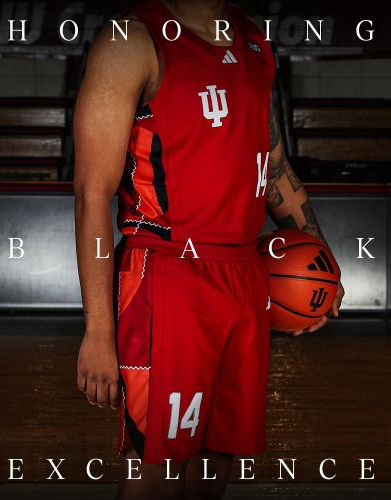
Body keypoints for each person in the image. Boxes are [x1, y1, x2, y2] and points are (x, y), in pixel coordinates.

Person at [73, 1, 345, 499]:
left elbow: (275, 168)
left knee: (215, 464)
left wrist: (320, 258)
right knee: (156, 470)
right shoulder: (131, 41)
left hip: (244, 274)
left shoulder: (254, 40)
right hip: (168, 274)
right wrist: (98, 332)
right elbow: (92, 193)